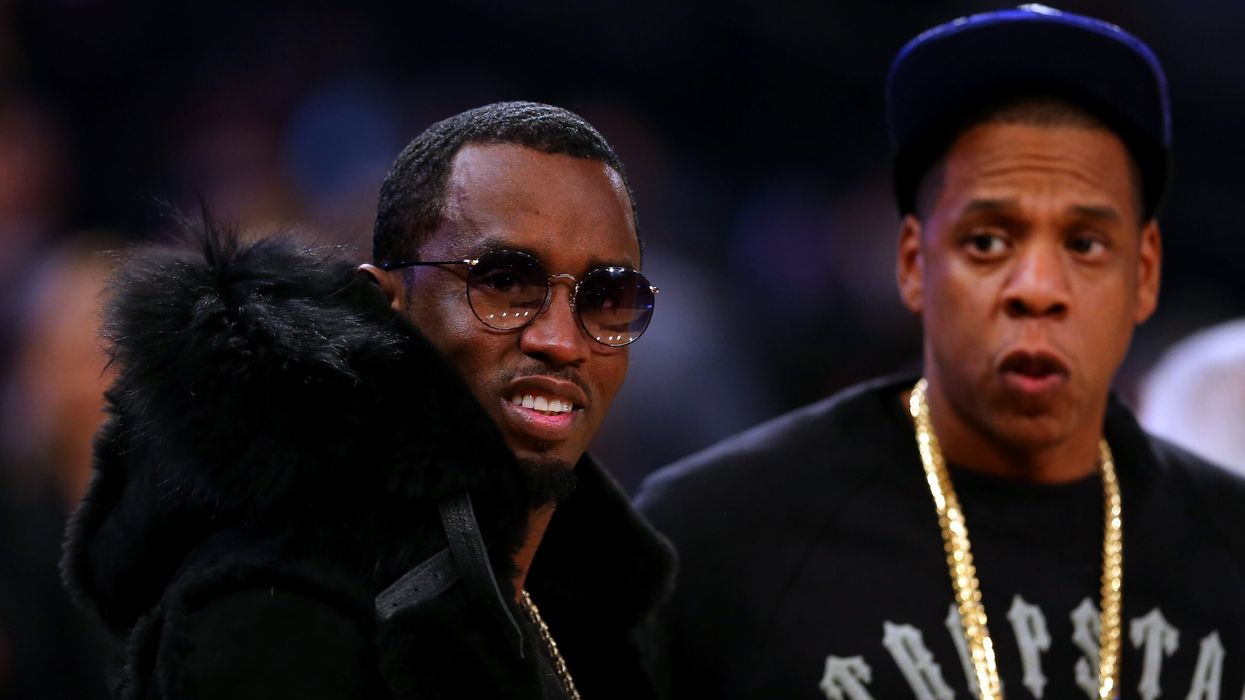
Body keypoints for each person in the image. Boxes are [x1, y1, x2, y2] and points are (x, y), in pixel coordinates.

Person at [636, 7, 1245, 700]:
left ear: (1144, 275)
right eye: (986, 241)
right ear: (910, 265)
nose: (1036, 290)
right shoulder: (716, 534)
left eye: (1084, 245)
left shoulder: (1229, 545)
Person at [63, 101, 674, 699]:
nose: (562, 341)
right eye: (505, 282)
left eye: (605, 298)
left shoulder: (602, 607)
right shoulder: (277, 615)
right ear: (387, 305)